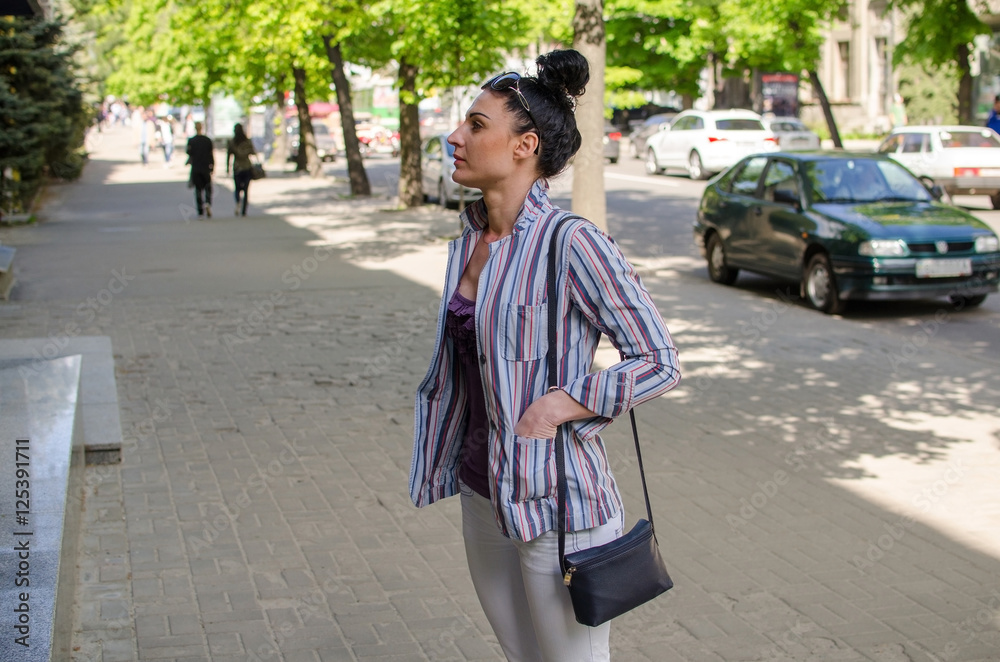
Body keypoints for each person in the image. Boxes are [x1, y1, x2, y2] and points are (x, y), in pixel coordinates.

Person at [410, 49, 681, 662]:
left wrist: (563, 403)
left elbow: (659, 359)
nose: (455, 137)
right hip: (482, 493)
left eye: (476, 125)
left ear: (523, 145)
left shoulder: (572, 243)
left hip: (557, 502)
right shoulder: (468, 242)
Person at [186, 121, 214, 218]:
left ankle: (200, 211)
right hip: (206, 167)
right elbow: (211, 154)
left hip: (196, 168)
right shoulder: (207, 140)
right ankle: (207, 203)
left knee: (198, 190)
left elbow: (189, 153)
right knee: (208, 188)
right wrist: (212, 166)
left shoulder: (192, 140)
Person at [226, 123, 256, 216]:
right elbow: (253, 152)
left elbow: (229, 156)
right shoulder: (247, 141)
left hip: (237, 167)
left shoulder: (232, 142)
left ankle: (238, 202)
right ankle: (244, 210)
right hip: (247, 167)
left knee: (237, 188)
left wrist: (228, 167)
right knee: (246, 190)